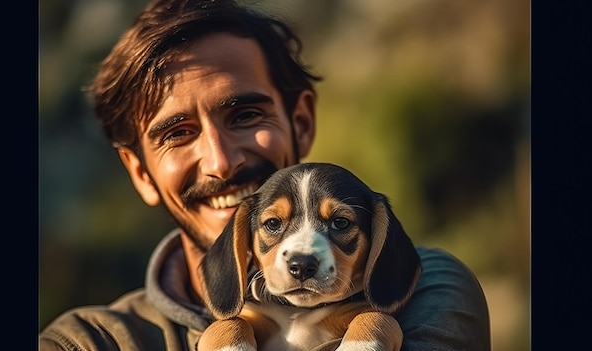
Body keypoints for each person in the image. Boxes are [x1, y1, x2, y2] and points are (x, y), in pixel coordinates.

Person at [39, 0, 491, 350]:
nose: (220, 162)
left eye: (245, 115)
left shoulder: (426, 287)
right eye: (177, 133)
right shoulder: (87, 339)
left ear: (302, 123)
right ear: (139, 173)